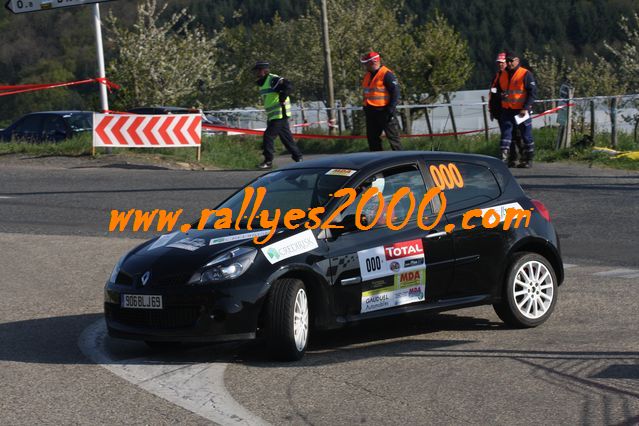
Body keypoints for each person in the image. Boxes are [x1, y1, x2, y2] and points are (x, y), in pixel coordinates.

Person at [252, 61, 303, 169]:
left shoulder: (273, 79)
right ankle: (299, 159)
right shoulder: (264, 82)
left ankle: (268, 161)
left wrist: (282, 98)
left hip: (279, 114)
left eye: (257, 71)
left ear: (263, 71)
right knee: (286, 138)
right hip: (274, 115)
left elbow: (288, 86)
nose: (255, 73)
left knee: (268, 136)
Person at [496, 51, 537, 168]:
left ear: (517, 61)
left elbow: (532, 93)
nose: (509, 63)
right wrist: (500, 94)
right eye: (507, 61)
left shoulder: (525, 74)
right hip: (507, 110)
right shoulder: (502, 74)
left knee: (526, 135)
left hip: (521, 111)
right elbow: (495, 90)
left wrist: (526, 107)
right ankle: (504, 158)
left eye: (511, 61)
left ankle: (528, 159)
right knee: (506, 134)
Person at [360, 51, 402, 151]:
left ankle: (402, 160)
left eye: (366, 63)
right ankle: (377, 161)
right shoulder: (368, 75)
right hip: (371, 112)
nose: (365, 65)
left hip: (384, 111)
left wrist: (390, 110)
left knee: (393, 139)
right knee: (372, 139)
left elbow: (395, 93)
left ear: (373, 62)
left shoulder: (386, 74)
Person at [489, 52, 523, 167]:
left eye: (502, 63)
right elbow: (492, 92)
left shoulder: (513, 75)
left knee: (517, 134)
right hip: (501, 110)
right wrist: (492, 109)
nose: (500, 65)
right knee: (507, 134)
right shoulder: (497, 76)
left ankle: (521, 156)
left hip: (515, 109)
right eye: (498, 63)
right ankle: (511, 158)